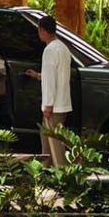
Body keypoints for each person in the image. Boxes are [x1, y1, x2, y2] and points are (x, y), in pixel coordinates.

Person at [25, 16, 73, 166]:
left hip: (54, 106)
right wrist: (39, 76)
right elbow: (56, 75)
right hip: (62, 103)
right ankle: (45, 171)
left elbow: (51, 81)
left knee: (55, 144)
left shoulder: (49, 50)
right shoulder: (62, 48)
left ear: (42, 30)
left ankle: (61, 175)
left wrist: (48, 105)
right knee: (47, 140)